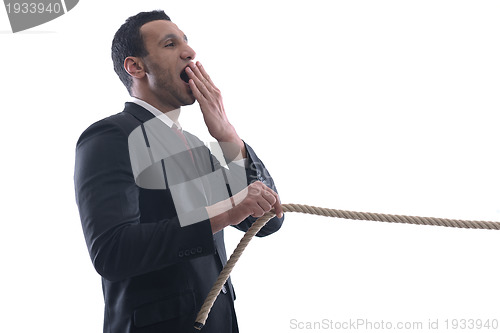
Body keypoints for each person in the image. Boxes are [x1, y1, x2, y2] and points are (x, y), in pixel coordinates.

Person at [74, 10, 284, 333]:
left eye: (186, 42)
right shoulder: (109, 137)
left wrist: (227, 135)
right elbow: (112, 251)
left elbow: (267, 218)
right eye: (170, 44)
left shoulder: (198, 148)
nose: (189, 52)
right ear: (136, 67)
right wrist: (225, 211)